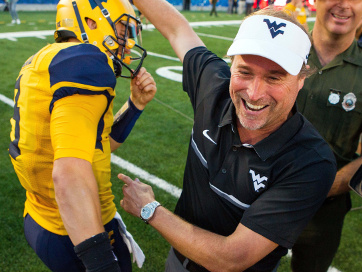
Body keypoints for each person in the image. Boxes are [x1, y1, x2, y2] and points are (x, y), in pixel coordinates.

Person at [119, 2, 337, 272]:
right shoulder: (214, 87)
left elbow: (232, 258)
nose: (255, 93)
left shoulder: (311, 161)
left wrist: (149, 209)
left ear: (301, 79)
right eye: (245, 72)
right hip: (178, 261)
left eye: (275, 78)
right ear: (231, 65)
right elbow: (177, 30)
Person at [8, 0, 157, 271]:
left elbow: (97, 144)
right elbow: (69, 175)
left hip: (41, 218)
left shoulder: (45, 58)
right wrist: (101, 264)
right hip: (76, 229)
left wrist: (135, 105)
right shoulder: (85, 63)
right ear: (90, 22)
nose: (128, 41)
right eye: (123, 29)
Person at [291, 0, 362, 270]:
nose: (344, 5)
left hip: (322, 212)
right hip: (254, 191)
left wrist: (310, 190)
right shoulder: (281, 50)